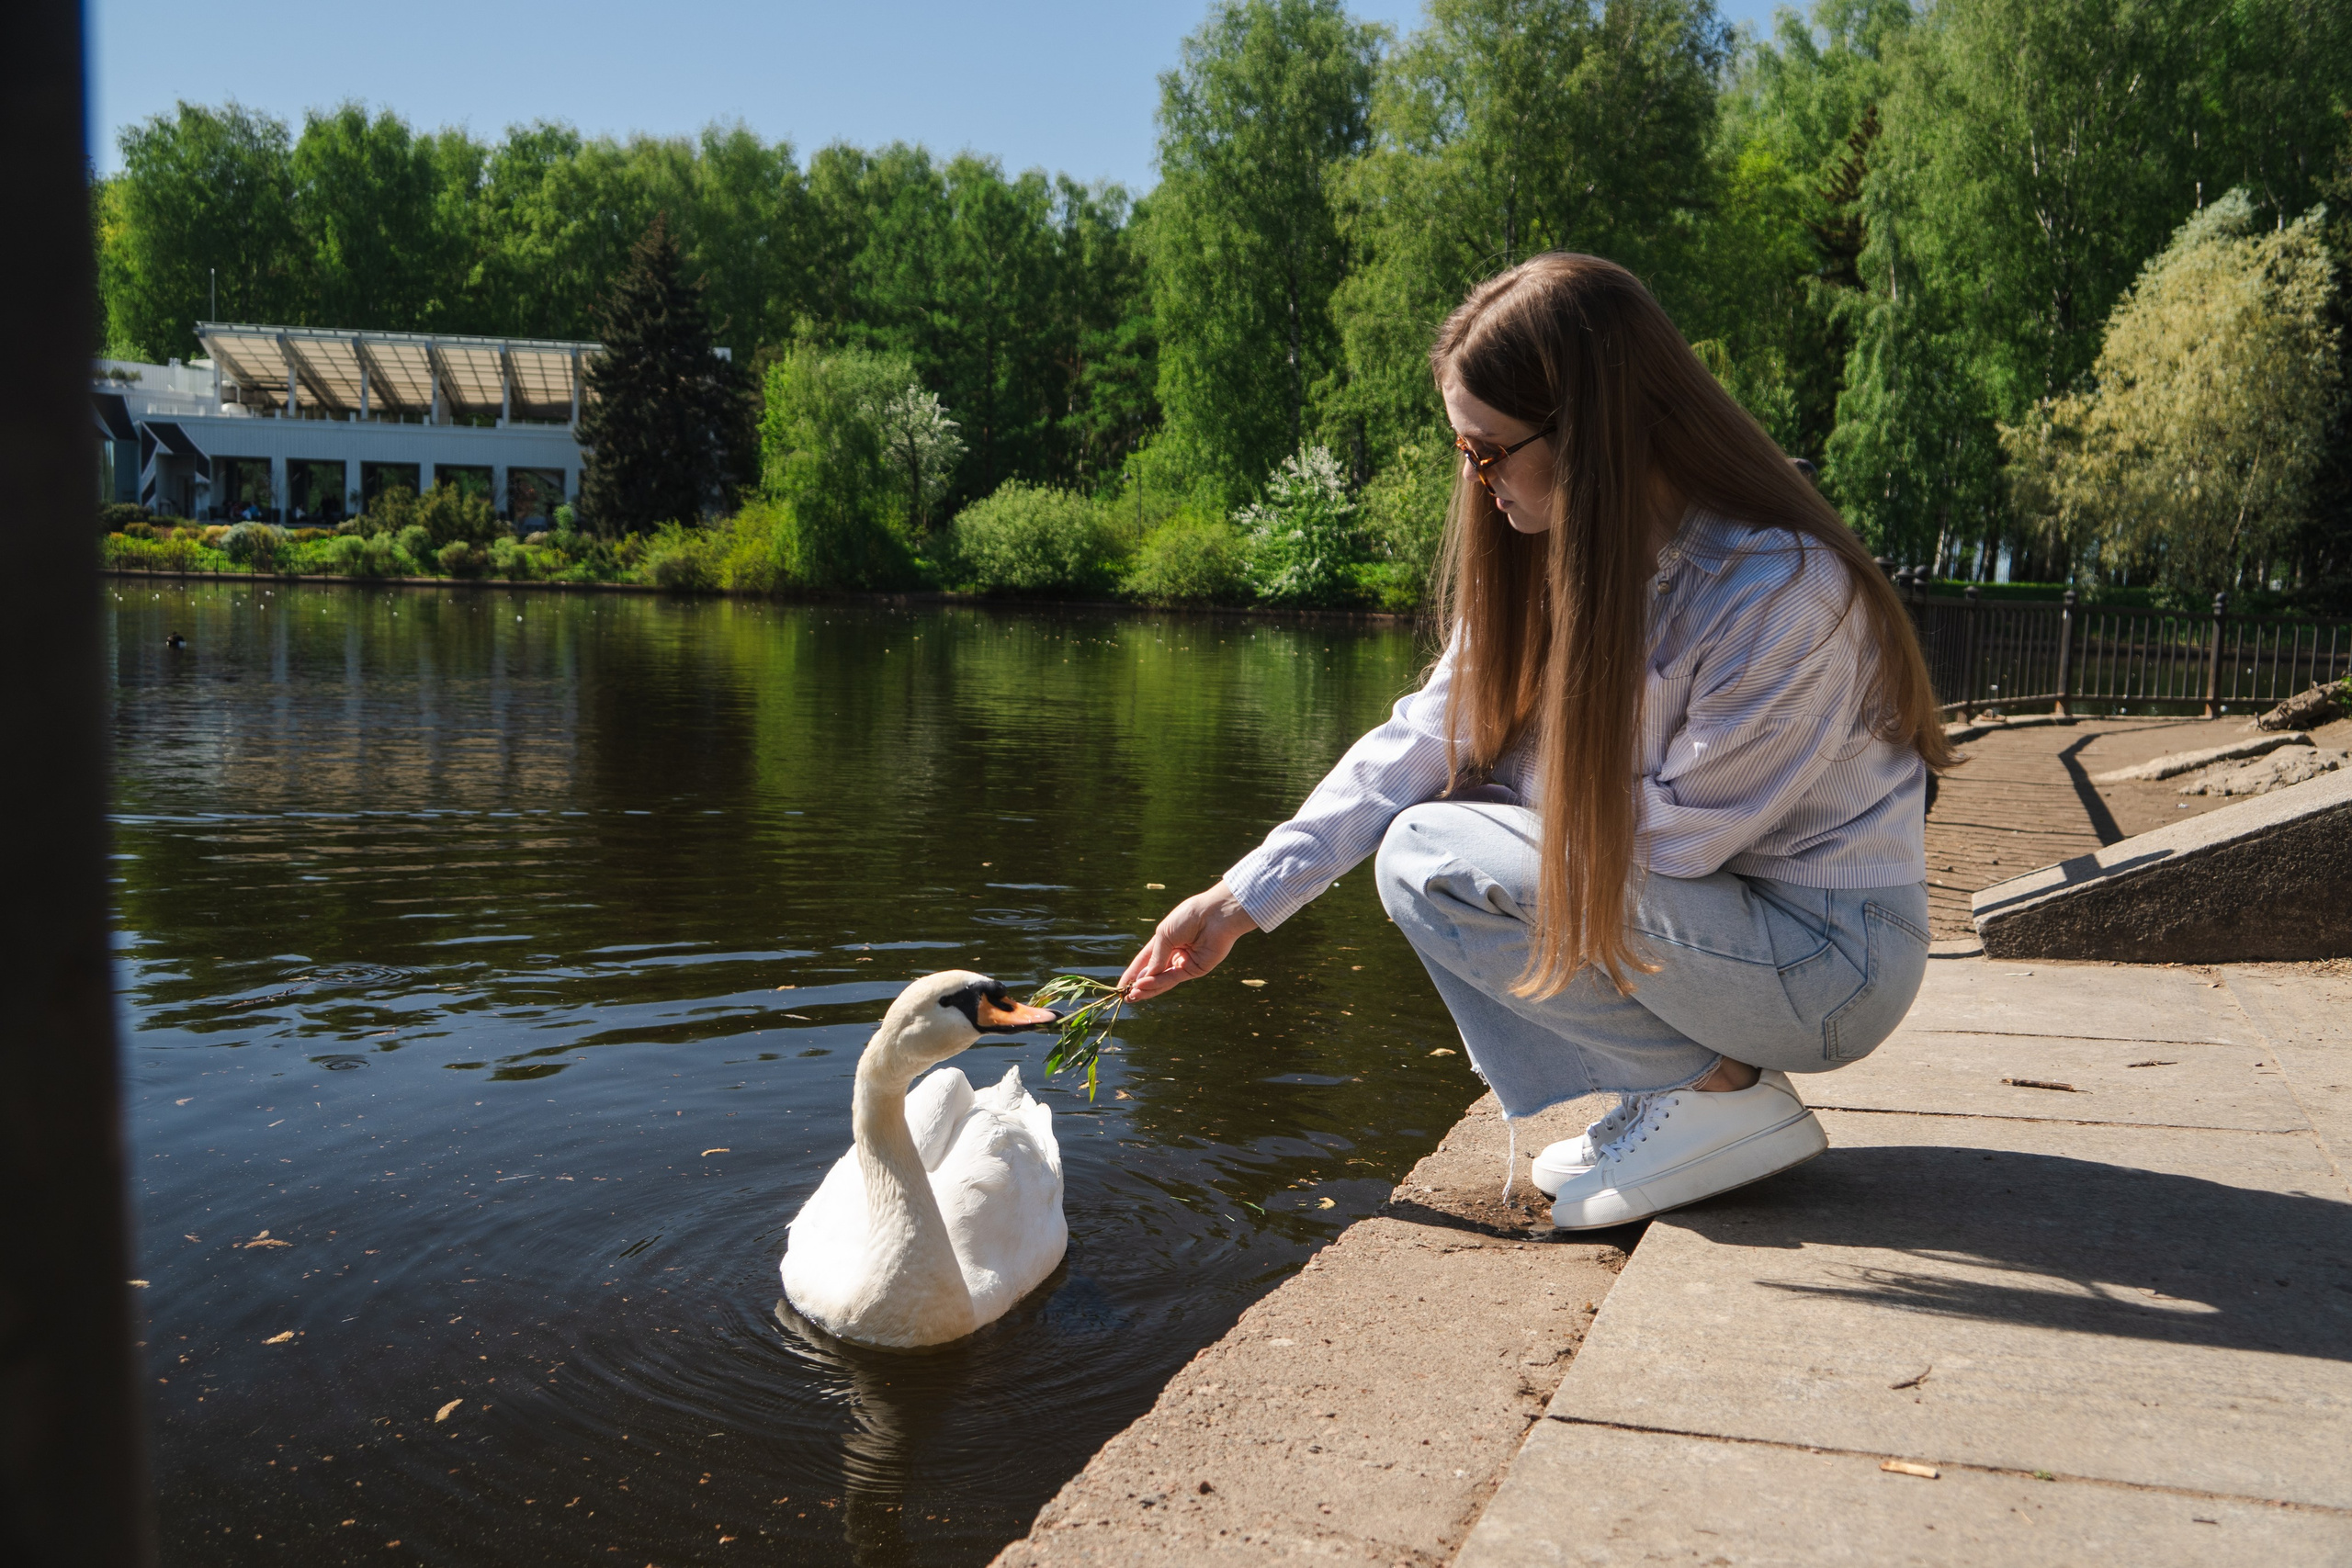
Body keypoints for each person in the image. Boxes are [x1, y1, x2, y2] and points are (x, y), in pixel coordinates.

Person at [1117, 254, 1951, 1230]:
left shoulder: (1779, 591)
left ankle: (1716, 1090)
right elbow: (1422, 736)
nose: (1477, 484)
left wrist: (1491, 790)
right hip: (1724, 928)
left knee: (1432, 855)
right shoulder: (1563, 563)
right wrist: (1238, 901)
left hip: (1828, 963)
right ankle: (1678, 1086)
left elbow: (1681, 840)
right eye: (1464, 453)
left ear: (1589, 432)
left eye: (1489, 452)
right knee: (1439, 827)